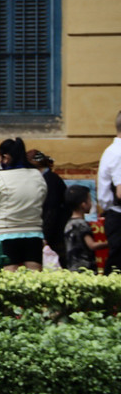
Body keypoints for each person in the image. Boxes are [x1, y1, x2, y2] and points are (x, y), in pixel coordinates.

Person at [0, 137, 47, 272]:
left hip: (7, 232)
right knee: (35, 275)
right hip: (34, 232)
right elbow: (42, 200)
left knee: (9, 274)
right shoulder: (37, 175)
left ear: (6, 157)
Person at [28, 149, 70, 266]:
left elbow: (51, 209)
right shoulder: (48, 178)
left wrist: (45, 235)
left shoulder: (49, 180)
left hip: (56, 232)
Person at [97, 109, 121, 275]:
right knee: (116, 269)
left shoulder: (113, 150)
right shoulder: (119, 153)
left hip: (114, 215)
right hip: (118, 217)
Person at [63, 185, 108, 272]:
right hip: (85, 268)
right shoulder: (82, 224)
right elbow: (92, 245)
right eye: (90, 200)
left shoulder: (69, 224)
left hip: (72, 267)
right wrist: (111, 243)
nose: (91, 203)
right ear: (83, 205)